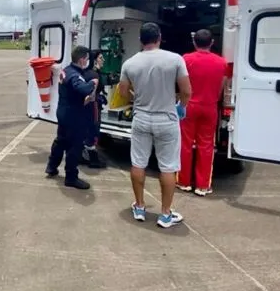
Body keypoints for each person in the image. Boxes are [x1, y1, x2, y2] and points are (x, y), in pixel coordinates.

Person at [117, 22, 192, 228]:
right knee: (167, 166)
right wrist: (181, 107)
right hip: (166, 118)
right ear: (159, 37)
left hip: (141, 118)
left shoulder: (130, 63)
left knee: (138, 163)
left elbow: (122, 92)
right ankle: (165, 214)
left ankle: (140, 206)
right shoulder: (175, 59)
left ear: (141, 40)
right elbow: (186, 91)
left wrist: (137, 98)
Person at [177, 28, 228, 196]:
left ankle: (184, 182)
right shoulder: (222, 63)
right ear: (212, 43)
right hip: (210, 106)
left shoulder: (186, 59)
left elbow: (181, 83)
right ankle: (203, 186)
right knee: (206, 146)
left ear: (194, 42)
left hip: (189, 105)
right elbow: (222, 86)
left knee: (185, 144)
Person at [45, 45, 98, 190]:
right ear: (82, 60)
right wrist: (93, 83)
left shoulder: (66, 70)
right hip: (73, 116)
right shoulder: (74, 75)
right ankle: (71, 177)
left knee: (60, 141)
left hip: (63, 112)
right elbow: (83, 89)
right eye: (86, 59)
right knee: (74, 146)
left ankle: (51, 166)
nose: (87, 61)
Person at [79, 51, 108, 169]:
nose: (103, 60)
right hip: (93, 105)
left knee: (86, 130)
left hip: (88, 106)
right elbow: (92, 93)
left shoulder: (87, 72)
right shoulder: (95, 75)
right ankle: (93, 160)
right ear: (95, 60)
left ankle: (82, 156)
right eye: (101, 58)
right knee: (94, 129)